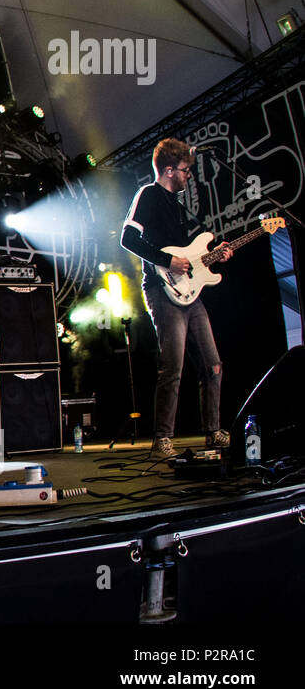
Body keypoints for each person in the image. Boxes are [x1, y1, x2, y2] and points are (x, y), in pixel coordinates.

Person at [120, 138, 232, 459]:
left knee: (213, 364)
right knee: (173, 367)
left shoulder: (177, 204)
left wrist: (214, 256)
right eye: (184, 171)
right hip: (161, 289)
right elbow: (128, 238)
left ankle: (213, 432)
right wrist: (166, 261)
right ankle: (162, 439)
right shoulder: (149, 194)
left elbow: (189, 256)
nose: (188, 176)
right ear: (168, 170)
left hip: (189, 292)